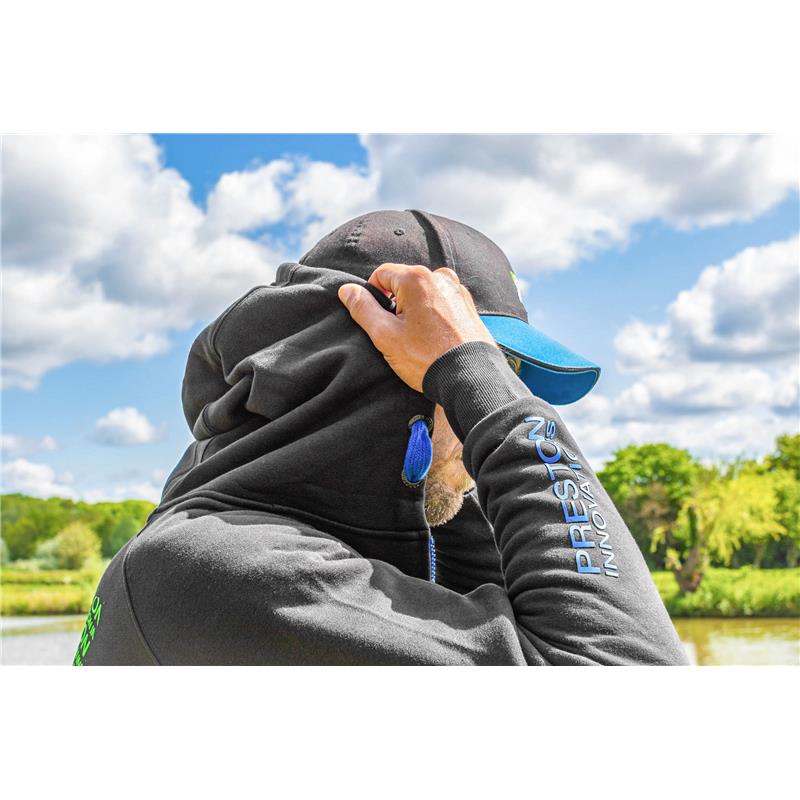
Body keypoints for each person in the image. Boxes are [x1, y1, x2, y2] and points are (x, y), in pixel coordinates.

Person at [74, 210, 688, 665]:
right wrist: (482, 392)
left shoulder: (315, 548)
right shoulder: (218, 570)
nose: (490, 402)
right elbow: (627, 667)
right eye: (482, 373)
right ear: (382, 373)